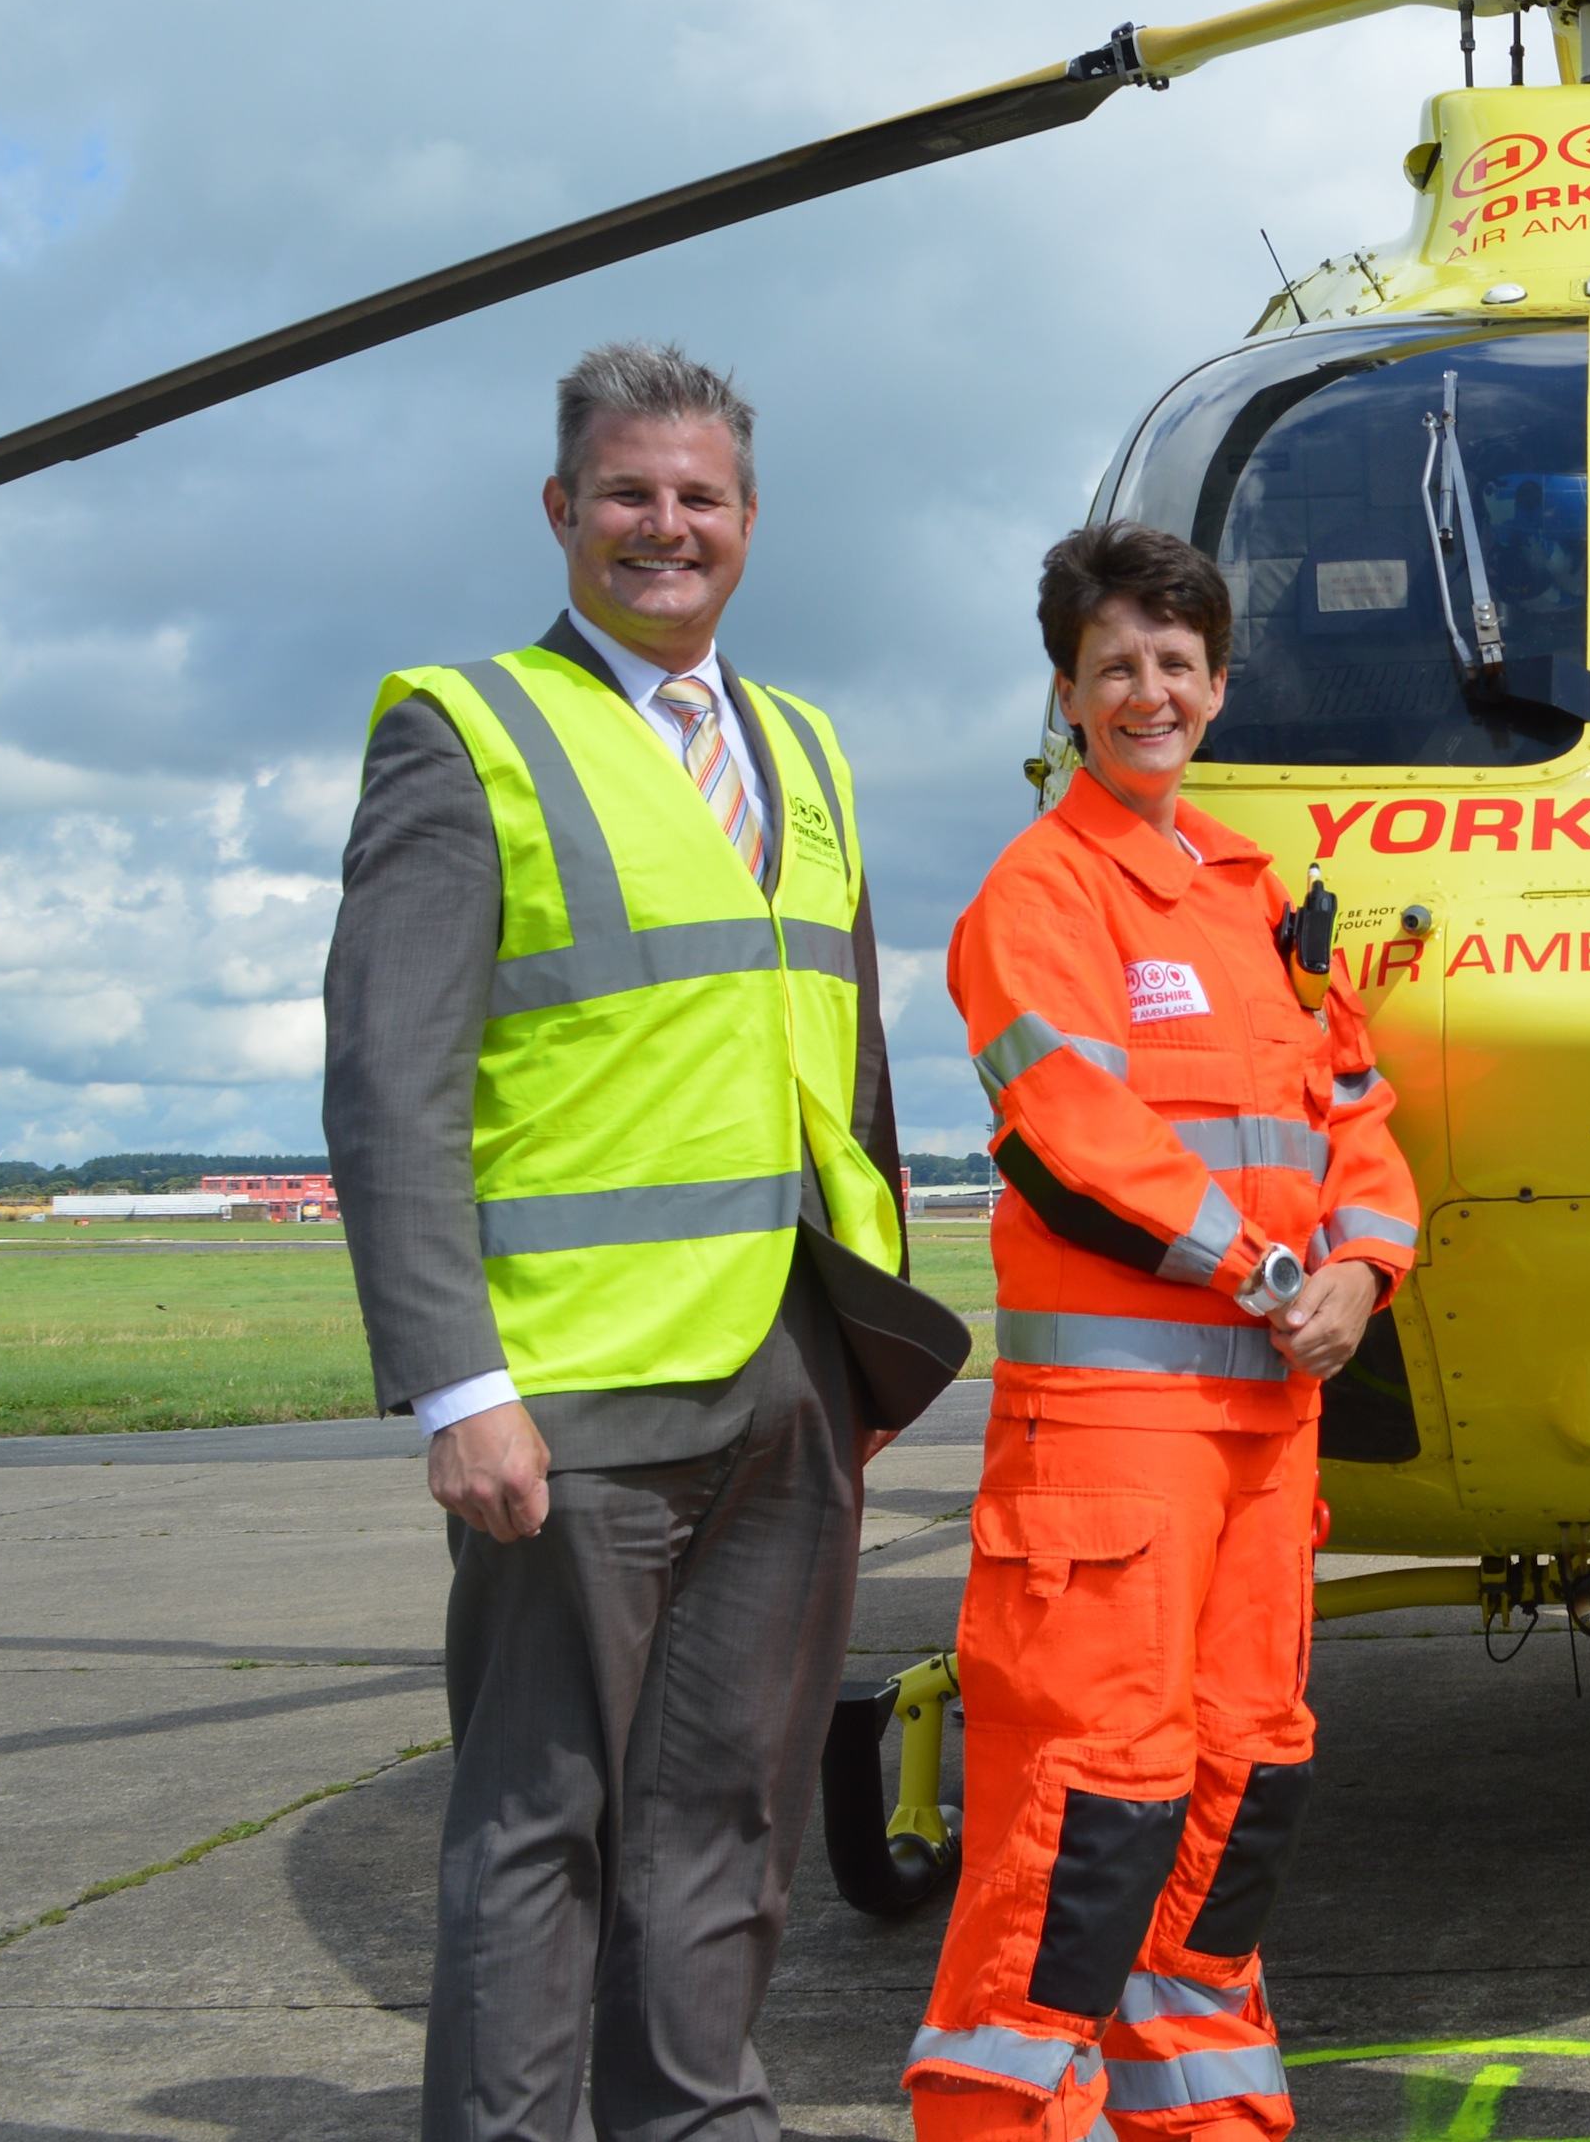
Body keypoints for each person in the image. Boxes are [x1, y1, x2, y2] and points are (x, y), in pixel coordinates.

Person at [325, 339, 972, 2142]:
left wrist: (870, 1341)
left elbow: (848, 1070)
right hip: (575, 1383)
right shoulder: (464, 733)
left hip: (790, 1367)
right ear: (561, 513)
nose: (662, 527)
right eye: (627, 493)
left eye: (698, 498)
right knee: (542, 1819)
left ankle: (696, 2112)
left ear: (750, 525)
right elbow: (390, 1089)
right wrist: (460, 1387)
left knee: (730, 1803)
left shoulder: (810, 746)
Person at [906, 522, 1419, 2142]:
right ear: (1067, 692)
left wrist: (1366, 1272)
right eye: (1117, 665)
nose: (1150, 692)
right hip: (1112, 1454)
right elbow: (1075, 1132)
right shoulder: (1041, 895)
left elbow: (1357, 1115)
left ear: (1215, 689)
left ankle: (1198, 2119)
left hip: (1266, 1445)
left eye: (1177, 665)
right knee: (1086, 1813)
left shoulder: (1249, 907)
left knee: (1239, 1784)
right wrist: (1275, 1278)